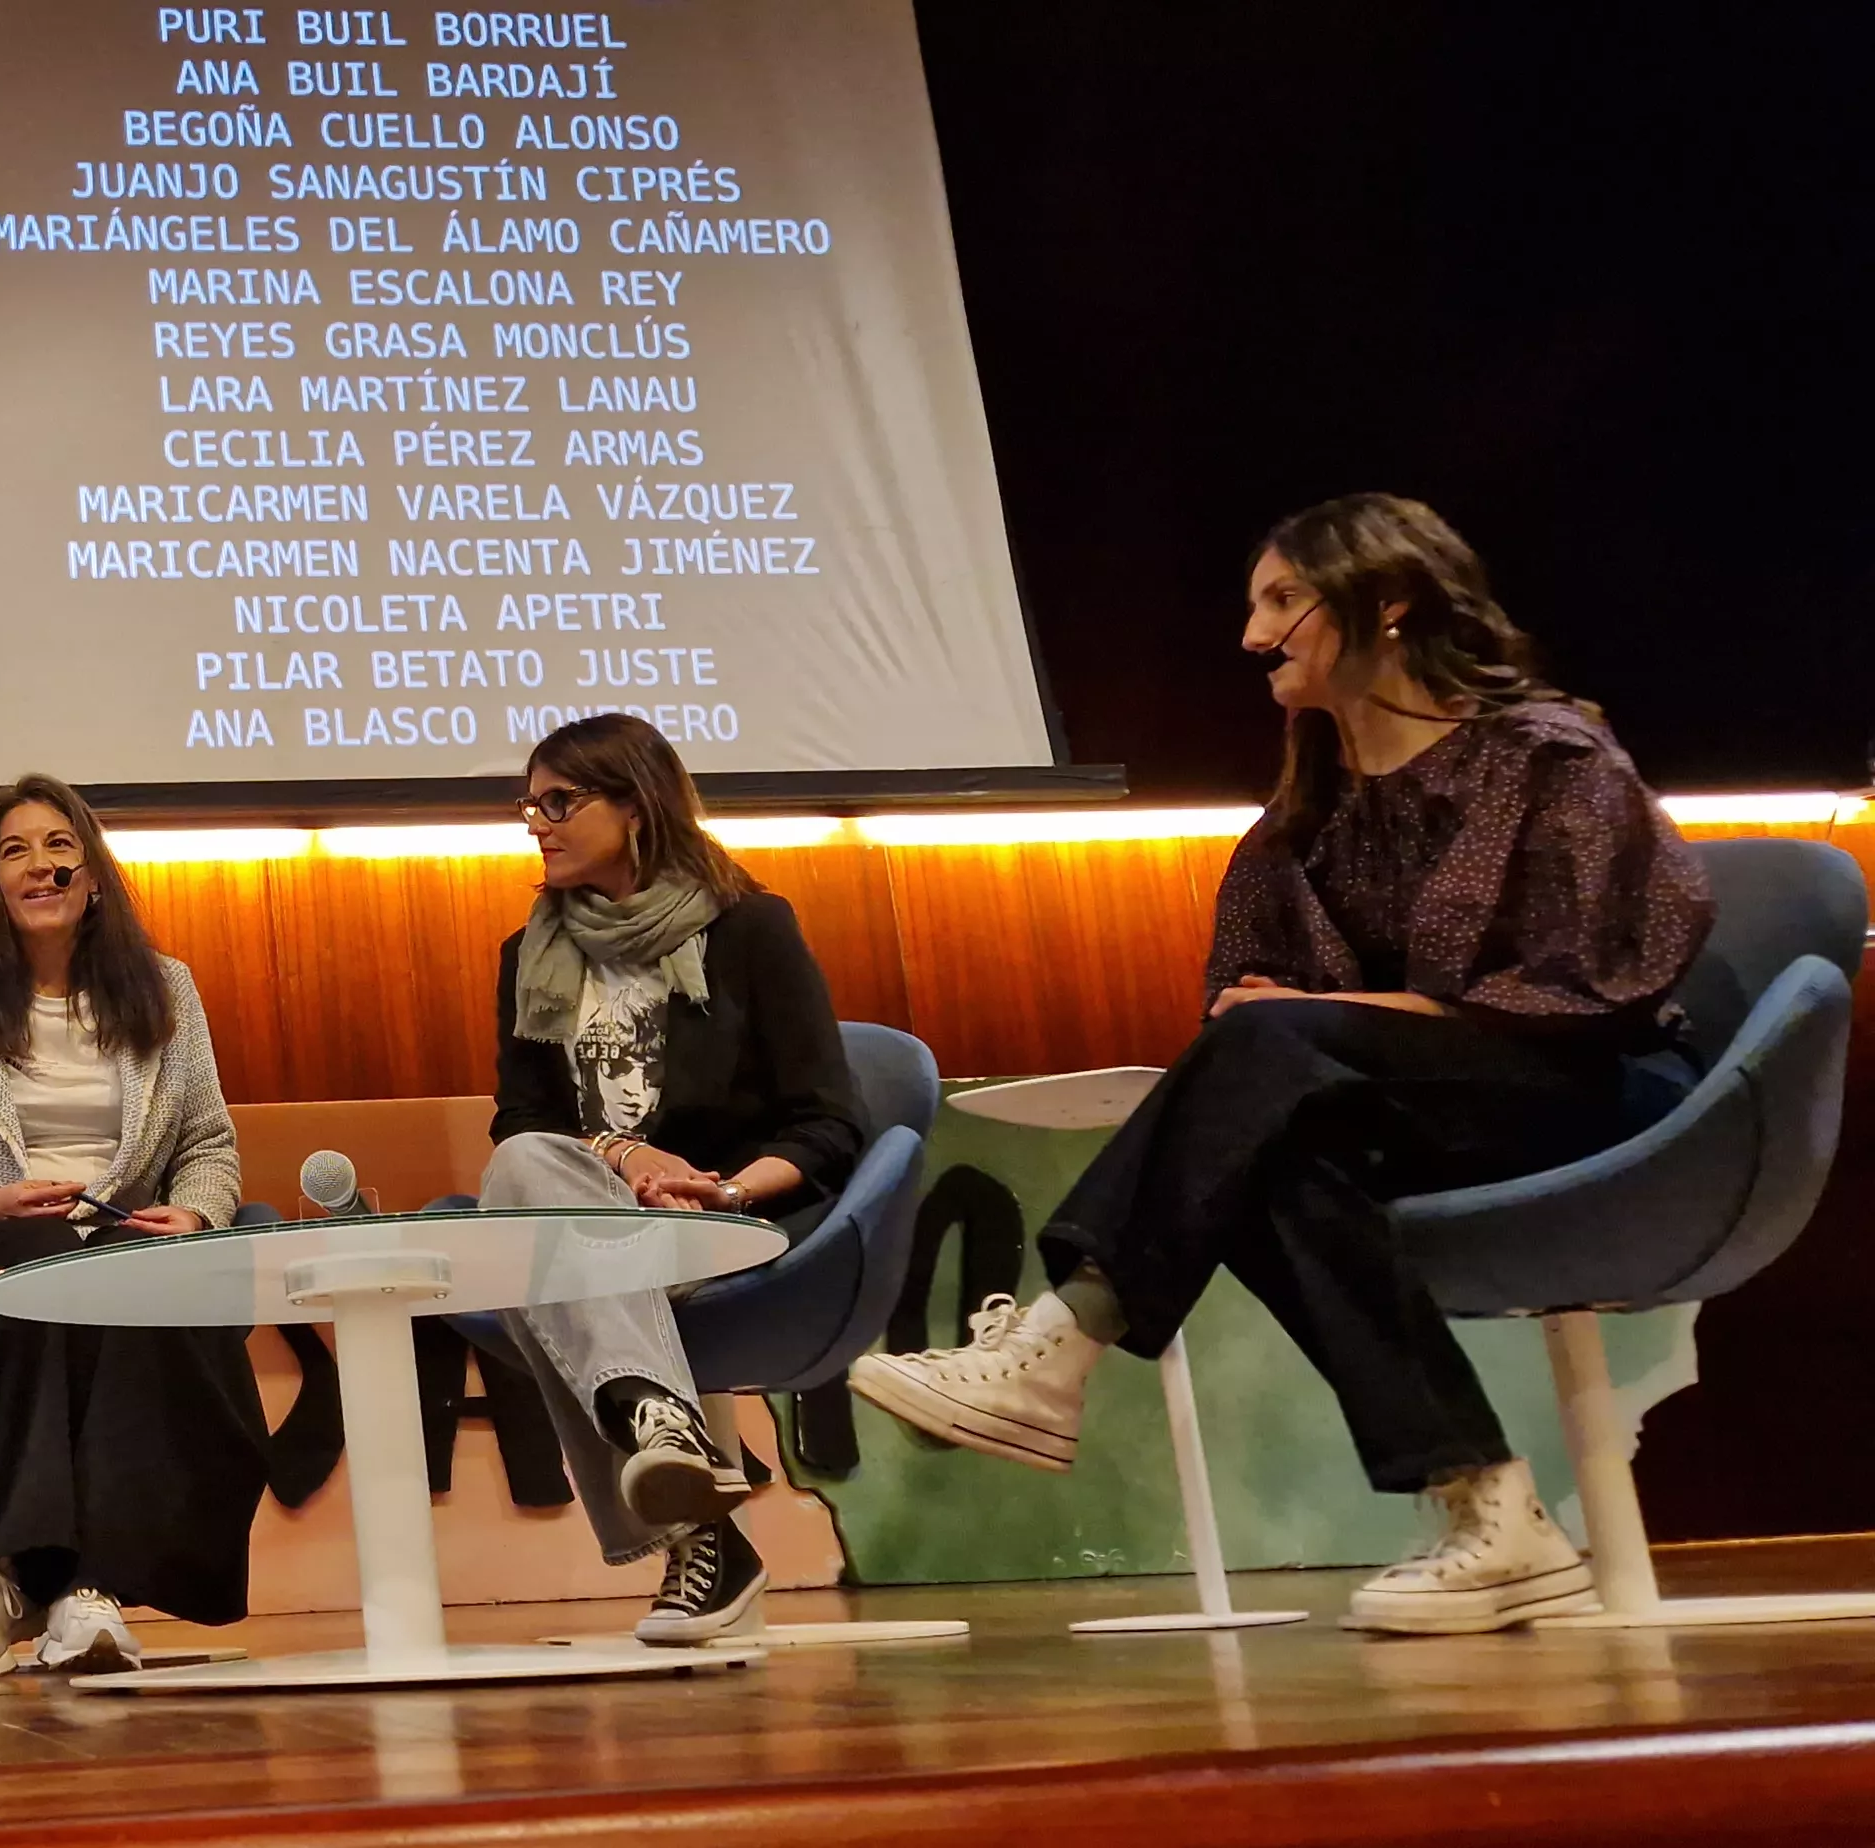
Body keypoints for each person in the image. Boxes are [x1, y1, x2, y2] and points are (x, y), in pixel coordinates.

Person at [849, 493, 1713, 1636]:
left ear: (1388, 603)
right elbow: (1249, 997)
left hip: (1592, 1093)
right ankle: (1494, 1512)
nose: (1256, 637)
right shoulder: (1311, 804)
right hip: (1410, 1102)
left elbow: (1594, 980)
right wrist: (1307, 1016)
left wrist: (1323, 1012)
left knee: (1265, 1064)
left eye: (1283, 601)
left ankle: (1054, 1345)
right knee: (1263, 1159)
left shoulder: (1548, 761)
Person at [471, 715, 863, 1644]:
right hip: (594, 1214)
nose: (538, 823)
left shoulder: (751, 930)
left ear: (636, 804)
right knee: (525, 1171)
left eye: (561, 801)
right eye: (531, 804)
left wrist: (721, 1191)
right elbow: (525, 1124)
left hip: (723, 1220)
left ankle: (703, 1534)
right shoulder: (525, 957)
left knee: (538, 1263)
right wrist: (625, 1155)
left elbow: (830, 1123)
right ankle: (665, 1439)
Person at [0, 775, 266, 1678]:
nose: (41, 866)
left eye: (59, 846)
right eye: (15, 851)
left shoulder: (165, 988)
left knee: (127, 1274)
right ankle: (43, 1578)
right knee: (39, 1257)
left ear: (93, 872)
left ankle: (55, 1585)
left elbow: (210, 1140)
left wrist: (199, 1208)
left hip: (122, 1229)